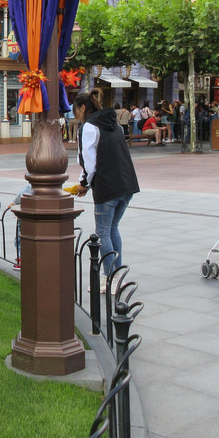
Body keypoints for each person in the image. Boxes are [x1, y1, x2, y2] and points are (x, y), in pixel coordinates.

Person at [75, 90, 141, 294]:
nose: (75, 115)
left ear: (83, 108)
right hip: (126, 184)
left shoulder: (88, 127)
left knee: (103, 231)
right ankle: (116, 274)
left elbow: (90, 162)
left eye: (75, 110)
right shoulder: (114, 124)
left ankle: (109, 277)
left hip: (107, 186)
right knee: (112, 228)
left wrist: (84, 184)